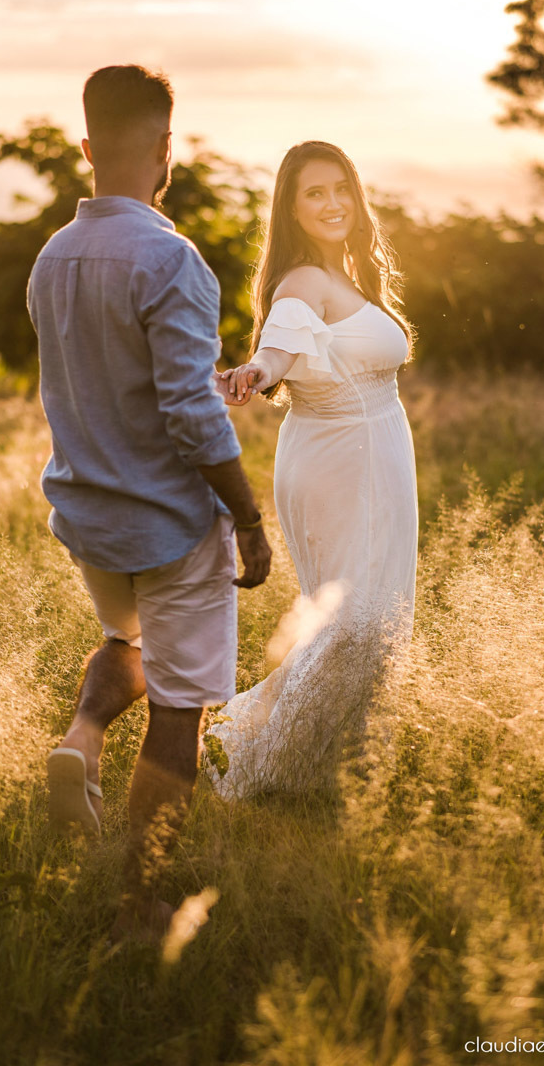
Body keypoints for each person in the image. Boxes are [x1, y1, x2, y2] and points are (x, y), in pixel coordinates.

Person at [26, 64, 271, 942]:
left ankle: (81, 739)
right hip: (168, 525)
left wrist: (190, 385)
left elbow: (110, 377)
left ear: (86, 147)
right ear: (165, 148)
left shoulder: (53, 257)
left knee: (124, 639)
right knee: (181, 708)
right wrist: (245, 516)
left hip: (90, 524)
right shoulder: (172, 258)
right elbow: (187, 415)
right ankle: (138, 906)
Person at [208, 140, 418, 800]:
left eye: (340, 189)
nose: (331, 204)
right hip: (339, 464)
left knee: (363, 624)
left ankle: (303, 763)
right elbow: (280, 345)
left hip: (369, 456)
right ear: (292, 211)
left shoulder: (348, 279)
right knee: (353, 624)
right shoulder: (302, 282)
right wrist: (256, 371)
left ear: (356, 197)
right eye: (313, 194)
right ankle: (260, 771)